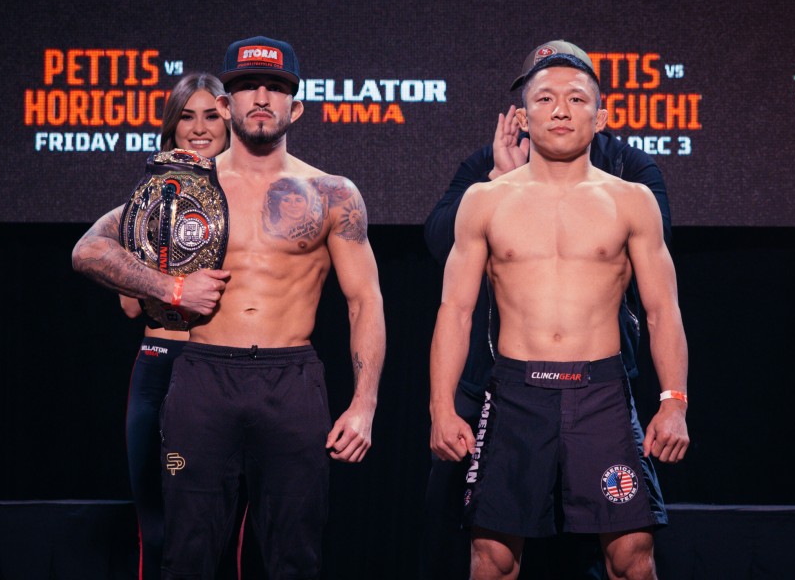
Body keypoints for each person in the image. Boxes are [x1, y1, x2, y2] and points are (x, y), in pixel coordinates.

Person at [71, 35, 386, 580]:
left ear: (297, 107)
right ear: (225, 104)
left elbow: (365, 301)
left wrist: (364, 404)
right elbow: (89, 249)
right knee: (188, 553)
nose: (261, 97)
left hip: (292, 382)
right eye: (246, 87)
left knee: (296, 555)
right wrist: (170, 290)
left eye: (276, 88)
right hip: (202, 380)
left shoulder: (333, 193)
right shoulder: (184, 188)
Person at [428, 46, 689, 580]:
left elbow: (663, 311)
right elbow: (455, 311)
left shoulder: (632, 200)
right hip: (515, 392)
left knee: (632, 556)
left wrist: (675, 403)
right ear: (523, 117)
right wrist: (440, 408)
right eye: (545, 99)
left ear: (602, 115)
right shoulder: (485, 200)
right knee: (493, 559)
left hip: (601, 394)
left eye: (576, 99)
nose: (562, 110)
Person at [113, 73, 233, 580]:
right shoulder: (146, 197)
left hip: (219, 373)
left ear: (228, 121)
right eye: (186, 116)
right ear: (171, 124)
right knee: (157, 526)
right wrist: (169, 267)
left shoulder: (246, 197)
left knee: (220, 531)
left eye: (209, 115)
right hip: (159, 371)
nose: (199, 128)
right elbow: (130, 306)